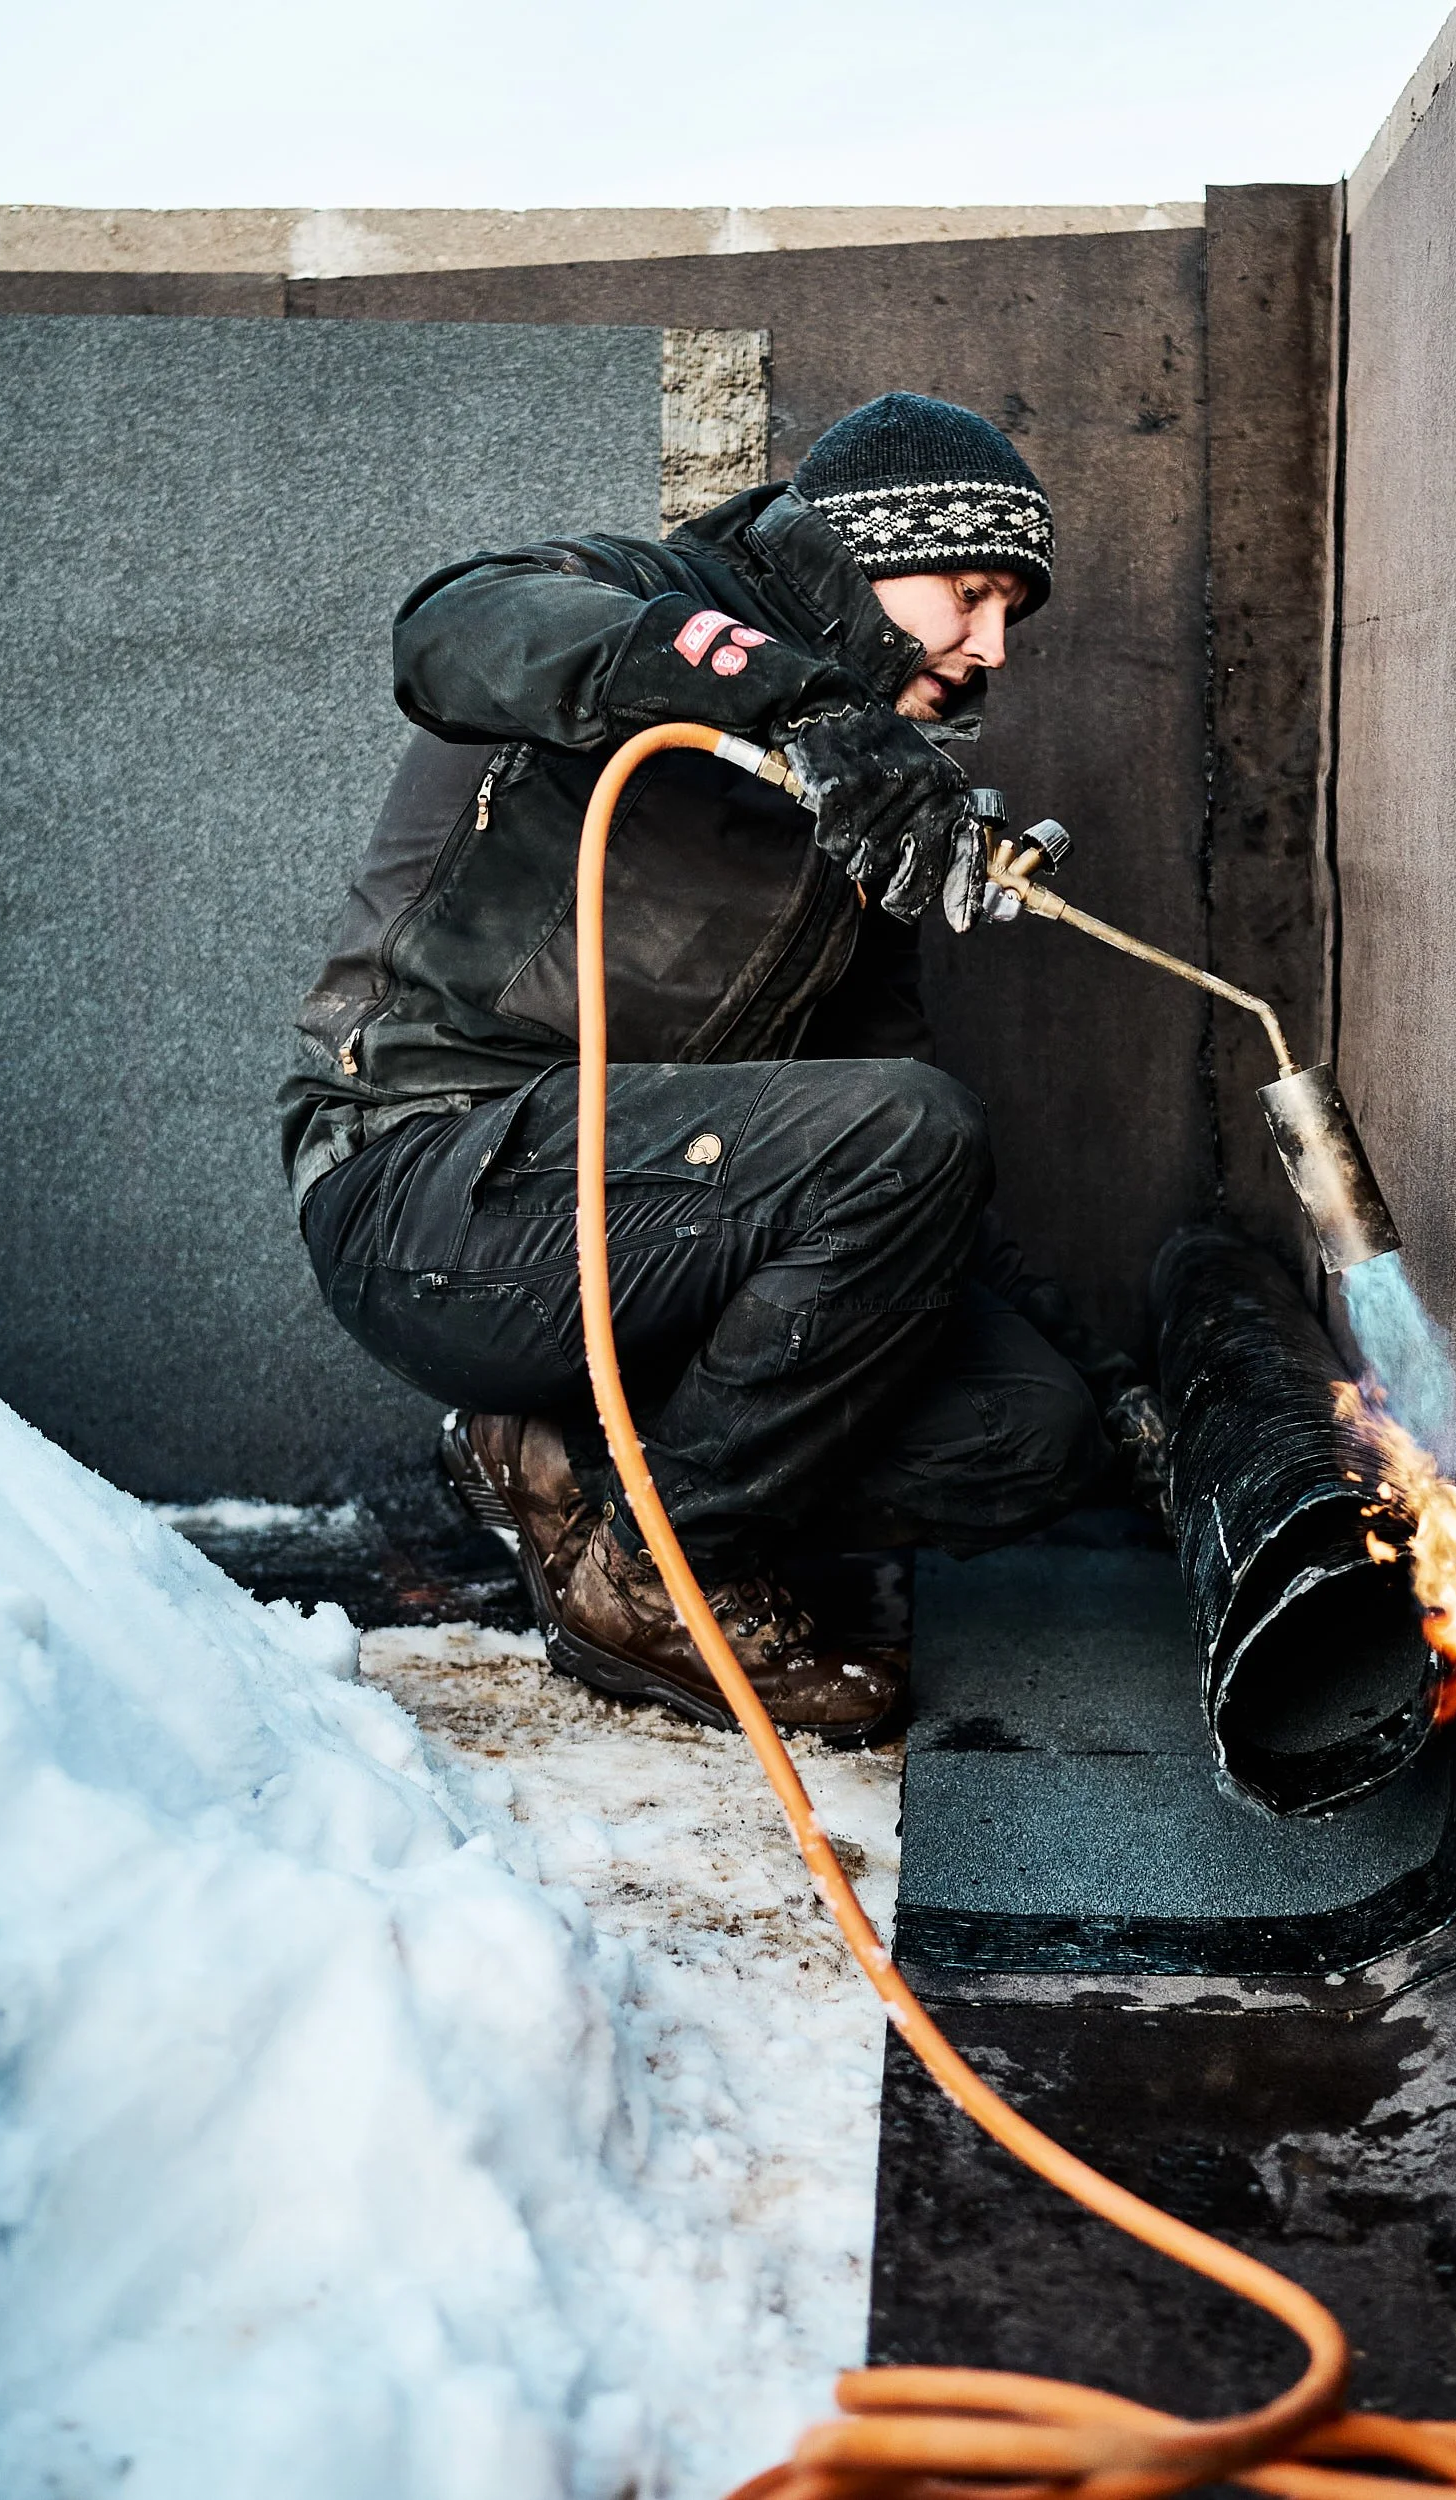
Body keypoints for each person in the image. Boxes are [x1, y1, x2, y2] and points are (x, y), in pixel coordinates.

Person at [284, 392, 1156, 1744]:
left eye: (1010, 622)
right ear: (865, 552)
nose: (989, 651)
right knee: (903, 1131)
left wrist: (1125, 1392)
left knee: (1026, 1423)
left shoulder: (858, 815)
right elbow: (443, 629)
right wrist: (792, 697)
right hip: (429, 1187)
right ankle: (652, 1574)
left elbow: (914, 1182)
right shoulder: (651, 597)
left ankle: (567, 1467)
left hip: (661, 1238)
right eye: (971, 596)